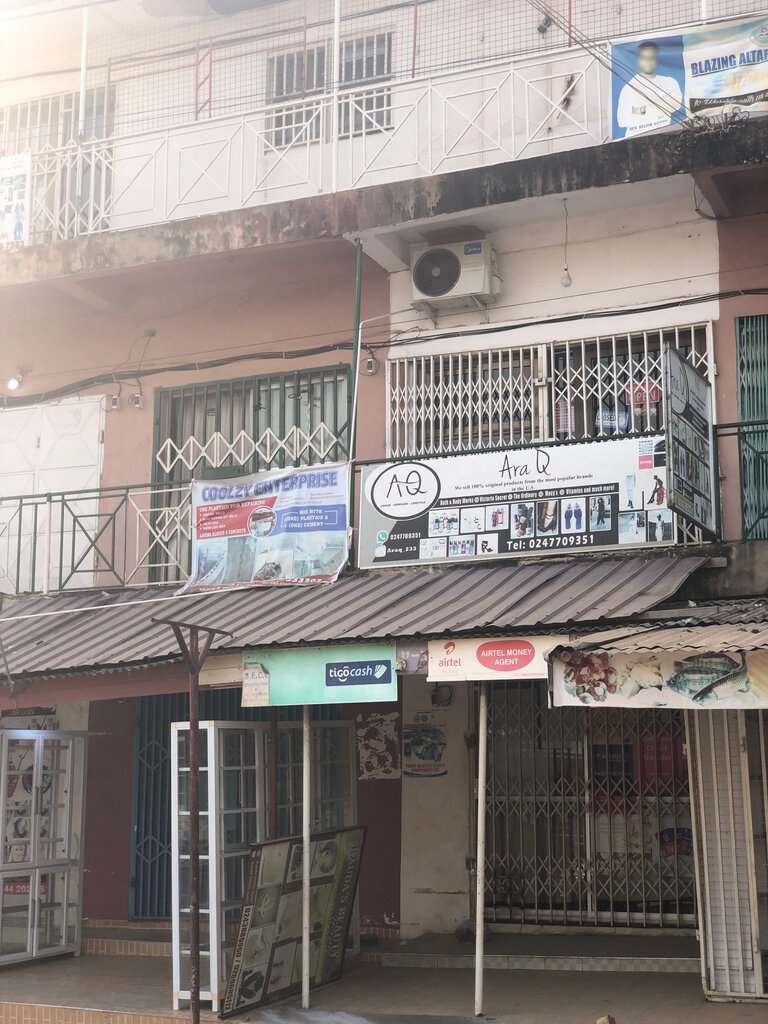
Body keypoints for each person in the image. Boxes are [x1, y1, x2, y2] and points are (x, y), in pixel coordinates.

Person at [616, 41, 683, 137]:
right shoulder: (629, 88)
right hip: (637, 138)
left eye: (651, 57)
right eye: (644, 58)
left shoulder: (670, 82)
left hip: (665, 134)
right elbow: (622, 120)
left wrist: (640, 109)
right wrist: (660, 102)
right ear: (638, 60)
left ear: (656, 60)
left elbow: (676, 105)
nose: (648, 61)